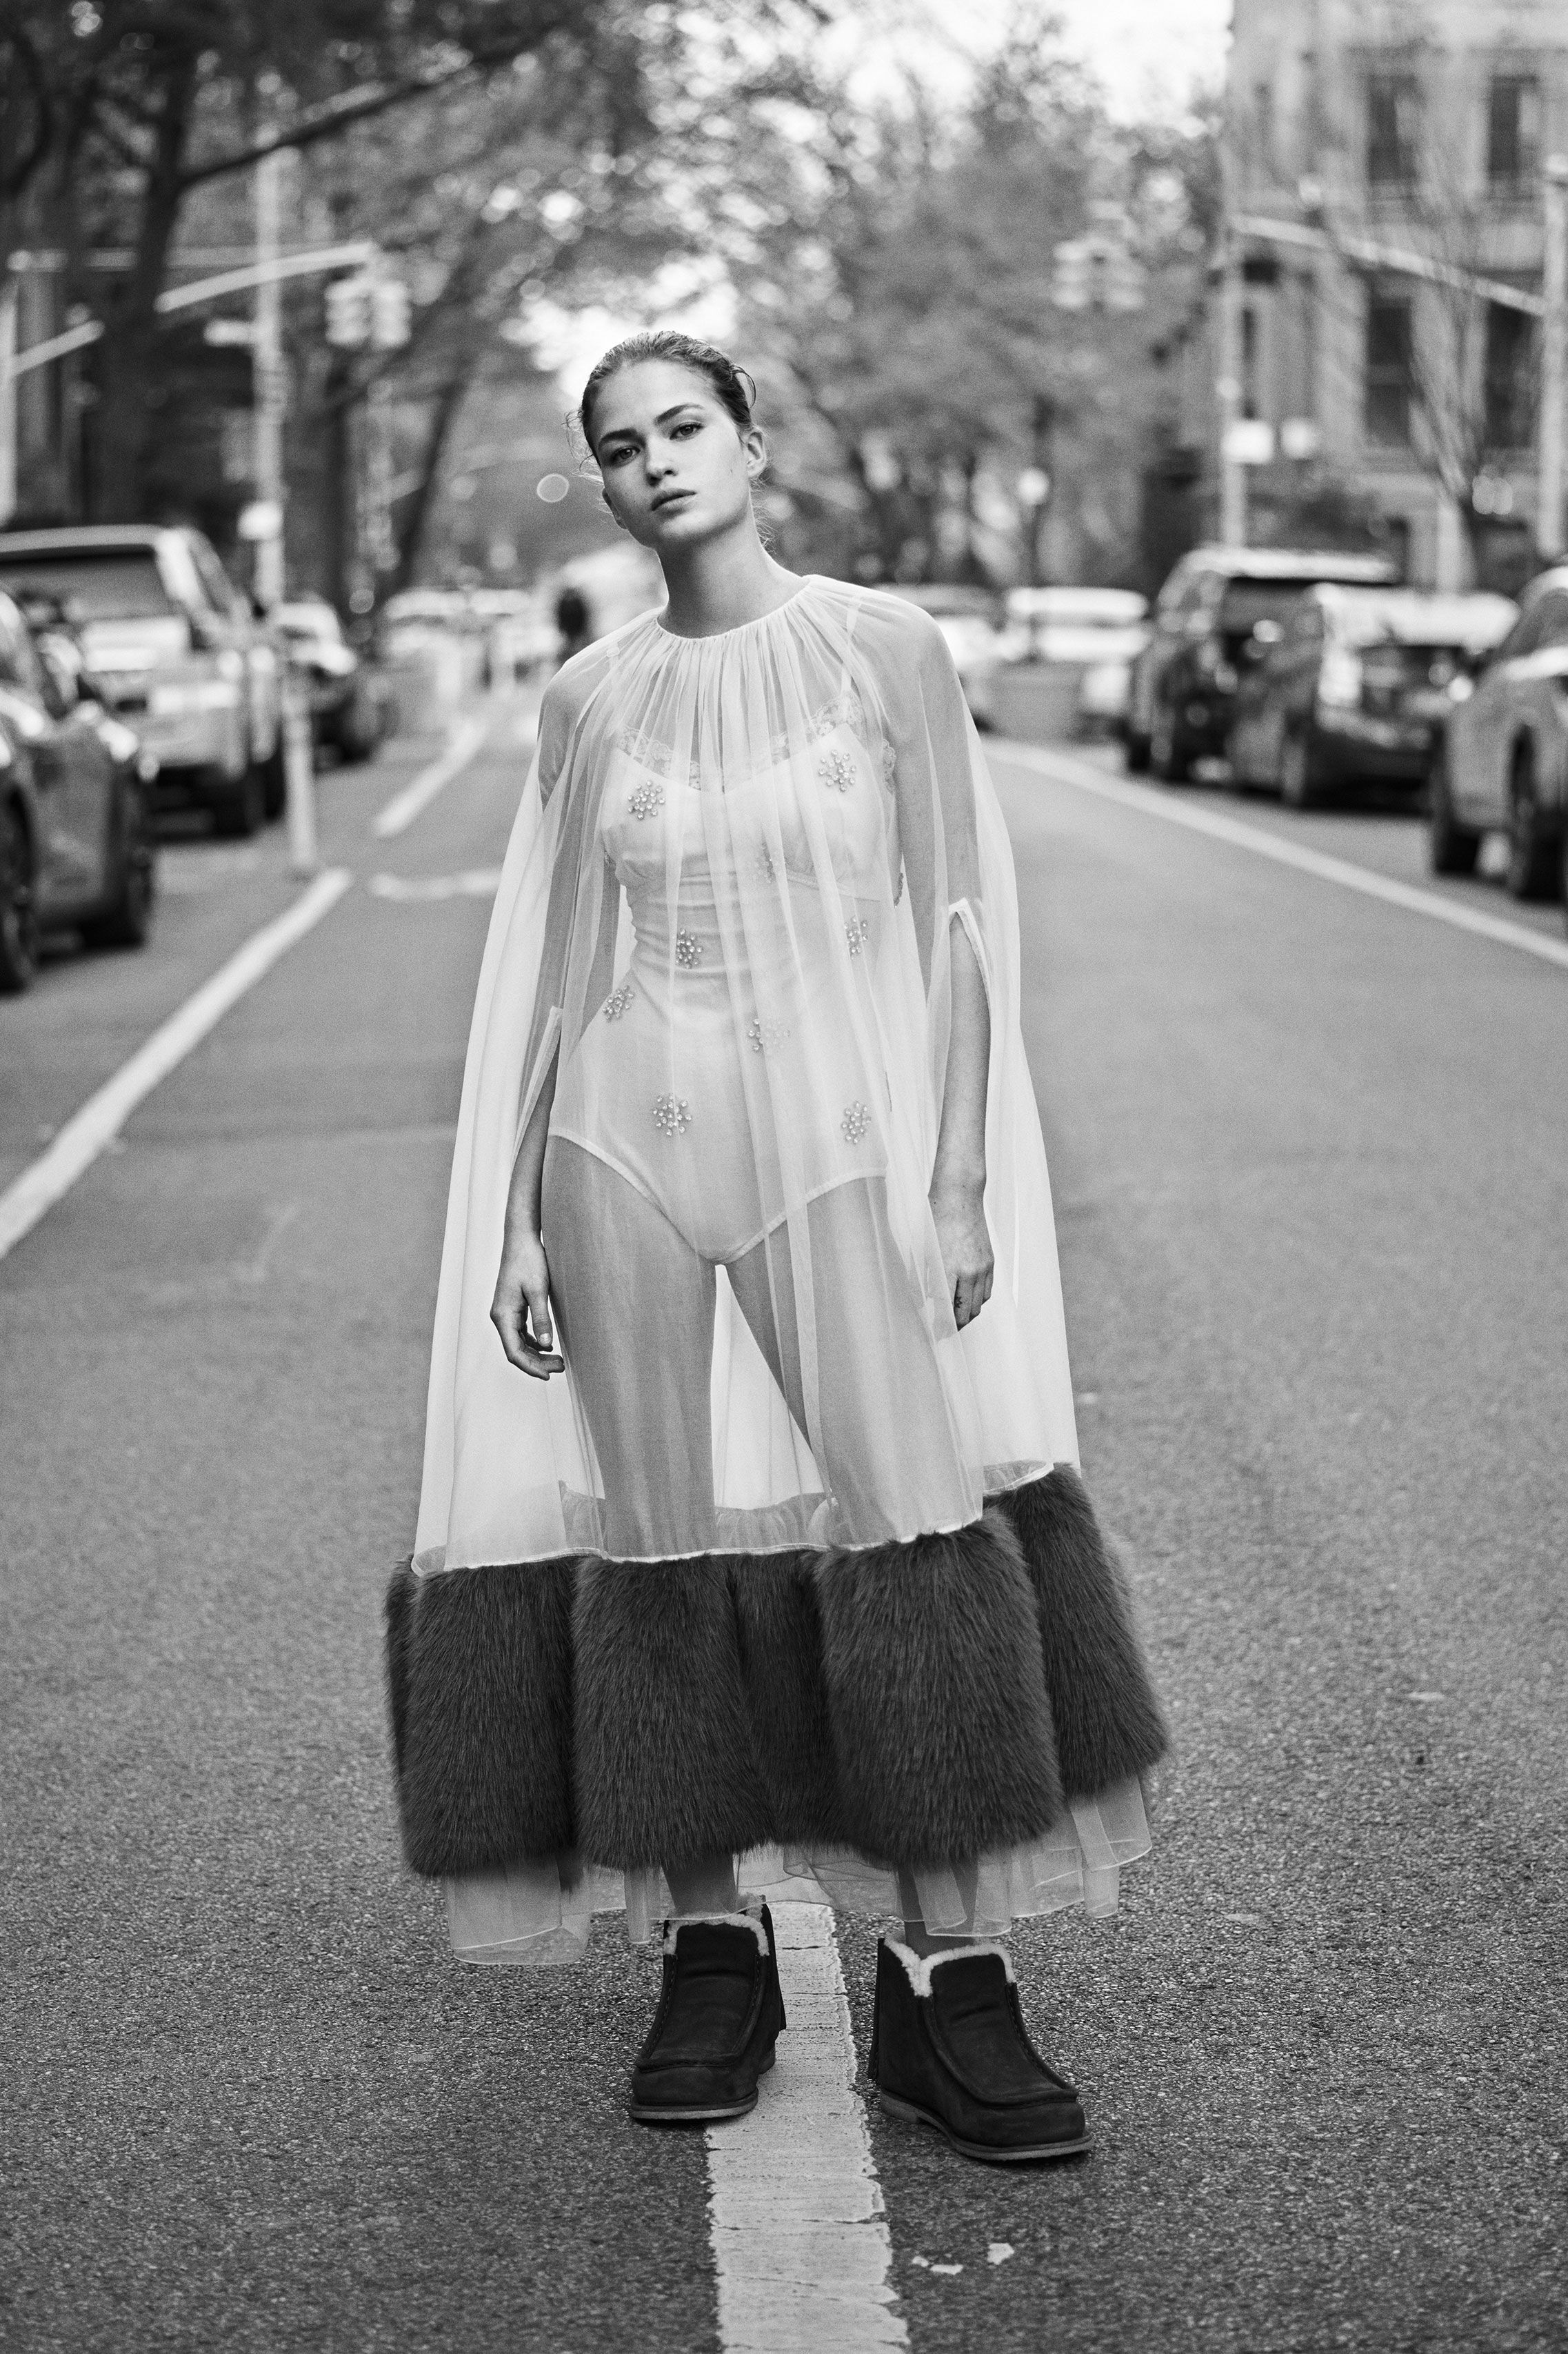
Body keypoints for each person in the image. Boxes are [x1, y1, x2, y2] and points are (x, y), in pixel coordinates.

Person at [386, 331, 1166, 2164]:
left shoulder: (884, 650)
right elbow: (564, 979)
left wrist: (957, 1176)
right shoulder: (587, 699)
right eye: (618, 445)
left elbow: (958, 924)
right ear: (599, 484)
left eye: (681, 427)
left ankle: (947, 1984)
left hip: (835, 1153)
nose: (654, 462)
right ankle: (707, 1945)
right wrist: (512, 1217)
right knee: (651, 1565)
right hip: (618, 1151)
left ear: (750, 443)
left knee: (913, 1543)